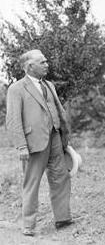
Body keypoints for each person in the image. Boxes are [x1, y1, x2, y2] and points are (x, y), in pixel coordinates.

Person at [5, 49, 74, 236]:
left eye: (46, 61)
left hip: (55, 138)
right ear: (30, 66)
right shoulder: (16, 89)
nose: (47, 64)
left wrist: (64, 137)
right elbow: (13, 120)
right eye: (42, 62)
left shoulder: (49, 85)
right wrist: (21, 145)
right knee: (32, 183)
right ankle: (28, 225)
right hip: (32, 143)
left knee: (61, 177)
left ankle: (62, 218)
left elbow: (57, 110)